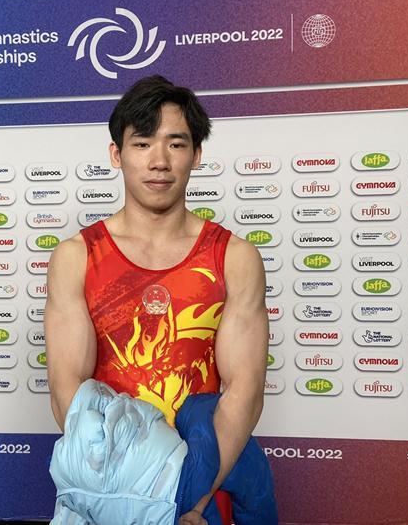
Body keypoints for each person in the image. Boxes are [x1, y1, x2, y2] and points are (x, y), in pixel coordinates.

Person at [45, 75, 270, 525]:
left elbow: (244, 392)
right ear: (117, 154)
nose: (160, 161)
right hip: (107, 494)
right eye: (143, 143)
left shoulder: (234, 257)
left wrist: (189, 501)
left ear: (197, 154)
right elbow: (68, 390)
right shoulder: (76, 257)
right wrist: (131, 499)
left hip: (203, 495)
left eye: (176, 144)